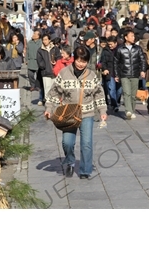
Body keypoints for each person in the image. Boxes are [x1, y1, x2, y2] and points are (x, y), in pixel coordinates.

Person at [44, 46, 108, 179]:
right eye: (78, 61)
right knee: (67, 142)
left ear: (87, 62)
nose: (80, 64)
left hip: (87, 113)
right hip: (69, 113)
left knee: (87, 143)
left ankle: (85, 170)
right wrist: (49, 108)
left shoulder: (91, 75)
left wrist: (102, 110)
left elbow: (99, 94)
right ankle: (70, 160)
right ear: (74, 59)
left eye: (83, 61)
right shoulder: (64, 73)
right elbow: (54, 92)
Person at [114, 29, 146, 119]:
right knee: (126, 92)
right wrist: (116, 74)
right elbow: (116, 62)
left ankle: (132, 110)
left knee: (133, 94)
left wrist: (142, 70)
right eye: (131, 36)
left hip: (135, 74)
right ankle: (128, 110)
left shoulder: (138, 48)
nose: (133, 37)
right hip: (124, 74)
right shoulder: (120, 49)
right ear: (126, 37)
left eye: (133, 36)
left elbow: (142, 60)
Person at [36, 33, 62, 101]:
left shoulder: (55, 48)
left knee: (55, 88)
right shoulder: (40, 50)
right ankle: (48, 102)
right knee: (47, 88)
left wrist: (56, 62)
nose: (44, 41)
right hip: (45, 72)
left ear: (49, 40)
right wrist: (43, 67)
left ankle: (55, 101)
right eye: (43, 40)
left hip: (55, 71)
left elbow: (59, 57)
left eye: (46, 39)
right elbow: (39, 60)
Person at [100, 35, 122, 112]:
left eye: (111, 44)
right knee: (111, 89)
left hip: (119, 73)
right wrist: (105, 69)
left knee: (119, 90)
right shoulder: (105, 50)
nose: (110, 46)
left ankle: (115, 101)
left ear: (115, 43)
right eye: (109, 44)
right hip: (110, 73)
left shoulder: (120, 49)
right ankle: (114, 105)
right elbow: (103, 61)